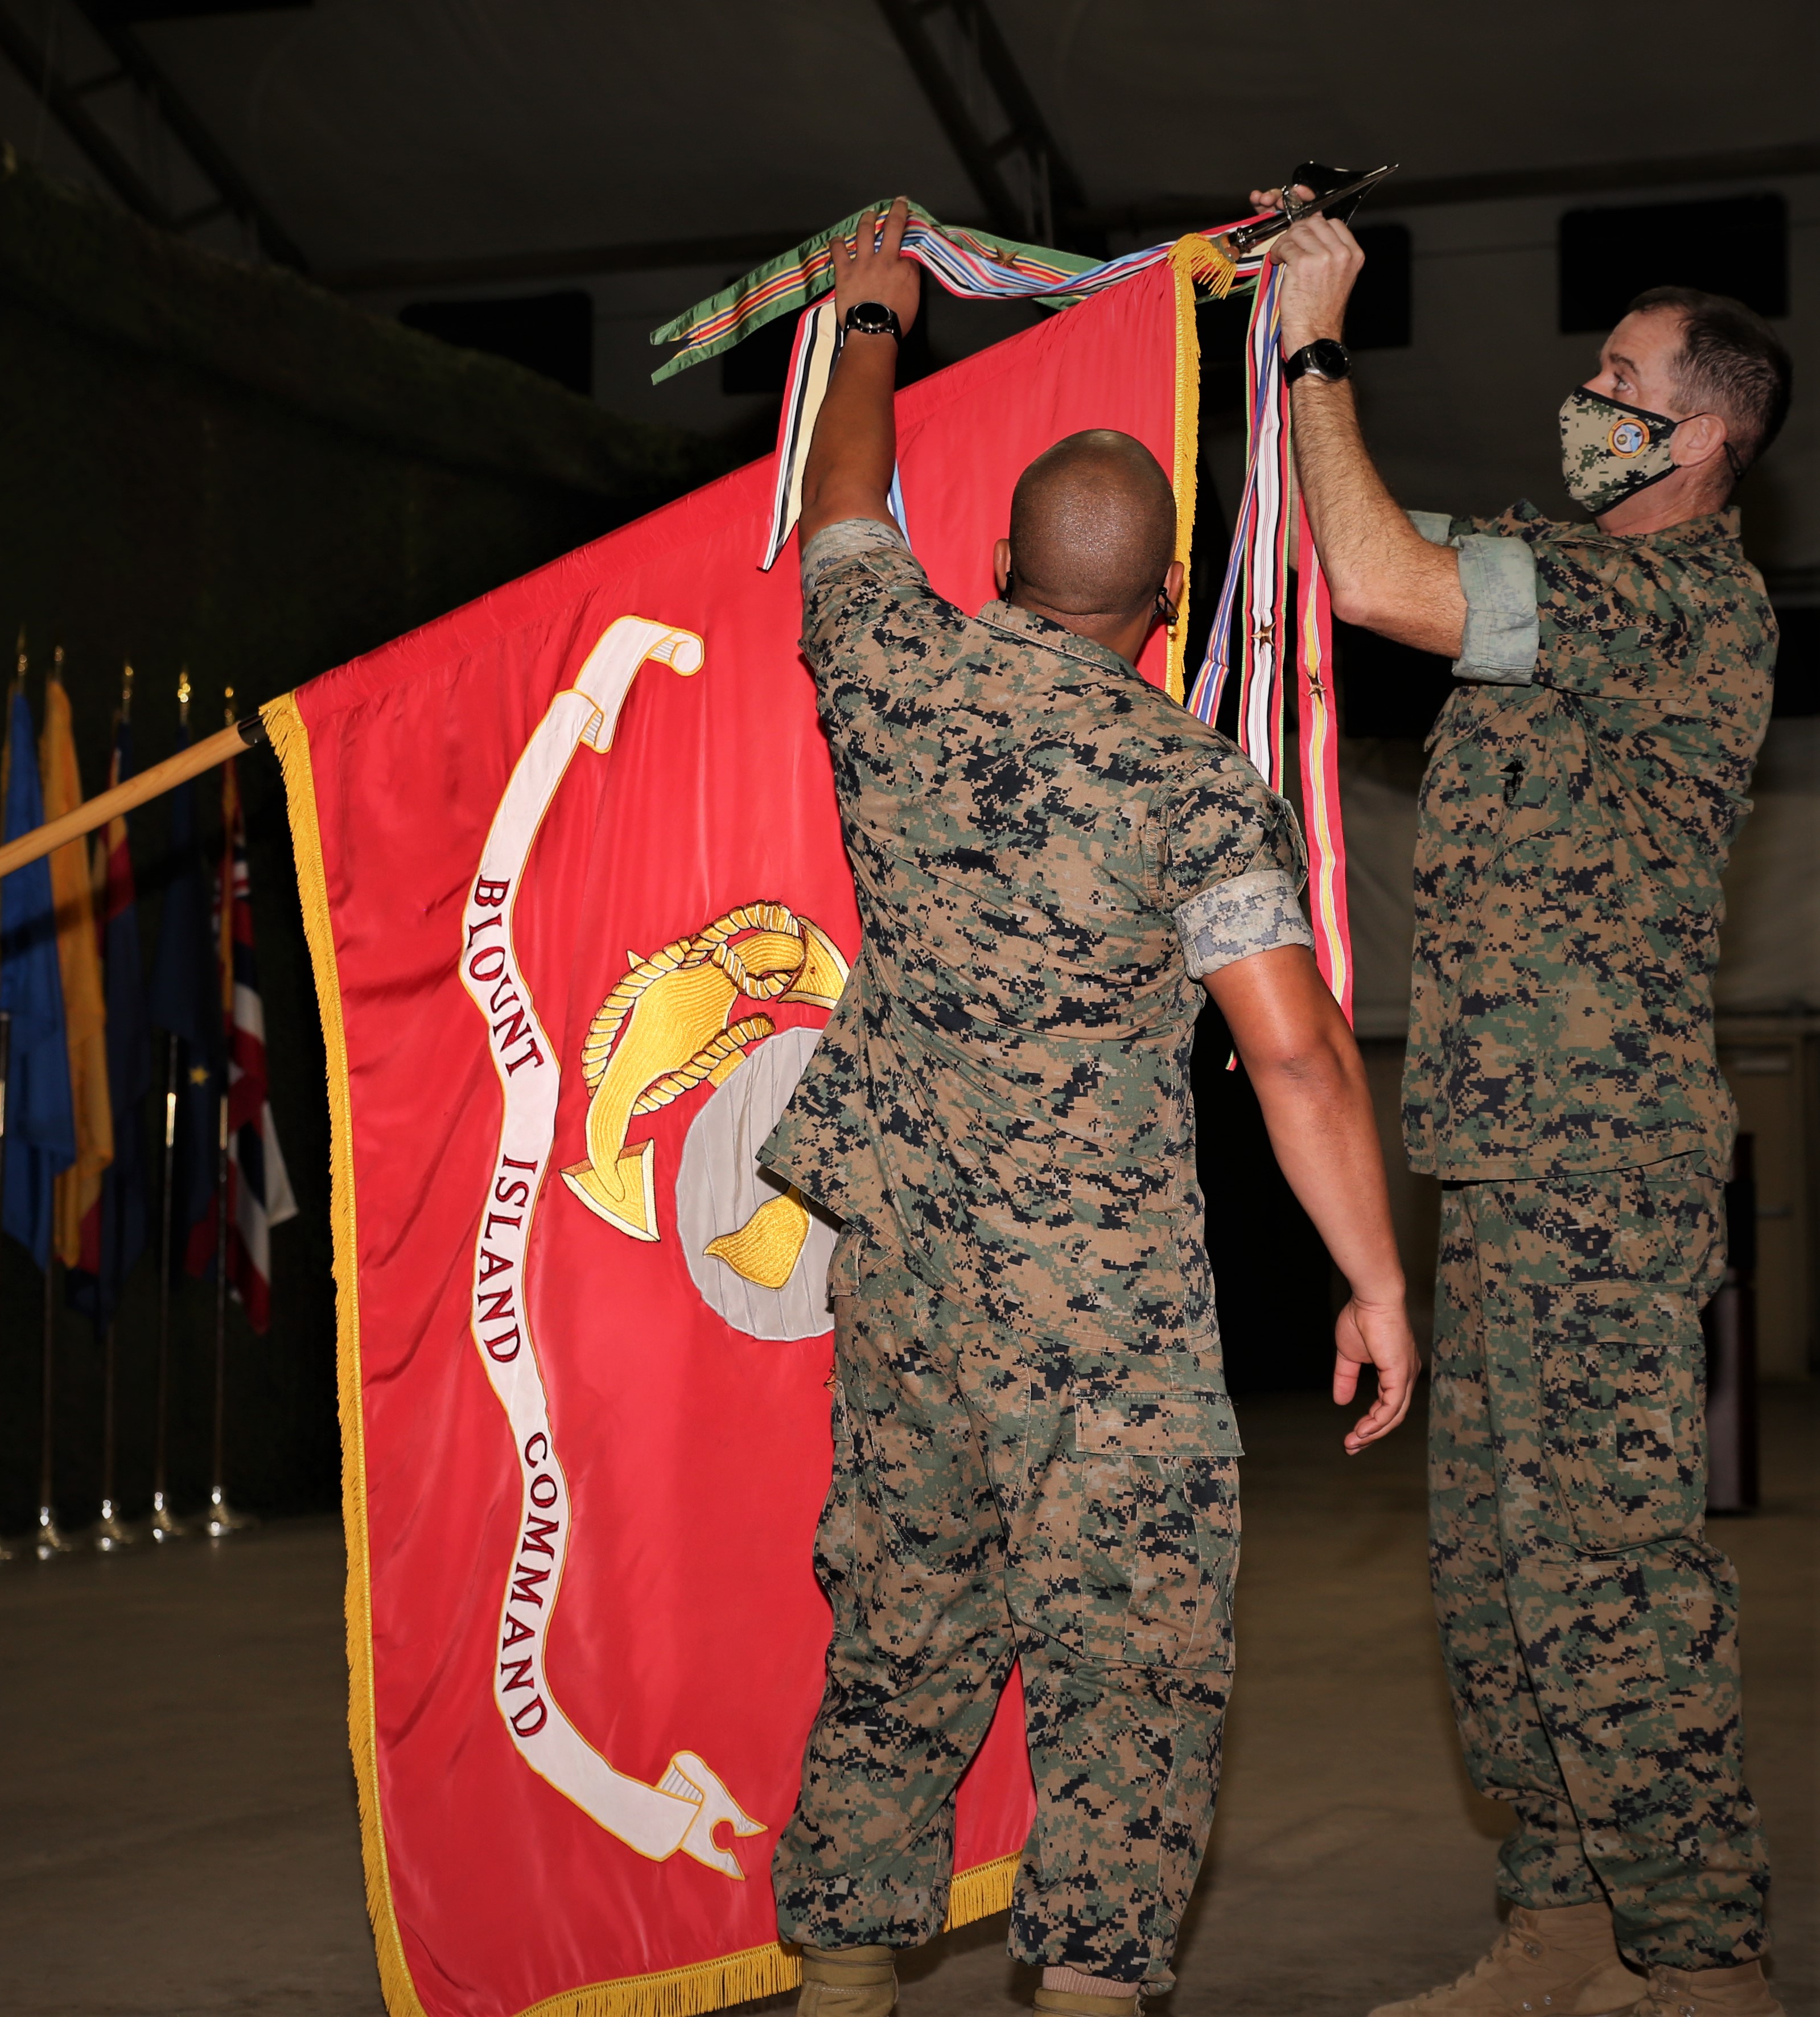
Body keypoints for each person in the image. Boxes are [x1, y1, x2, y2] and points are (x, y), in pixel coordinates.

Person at [758, 199, 1422, 2016]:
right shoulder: (1194, 789)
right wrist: (1372, 1283)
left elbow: (836, 514)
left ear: (993, 555)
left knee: (900, 1636)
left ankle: (840, 1980)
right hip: (1105, 1313)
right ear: (1161, 607)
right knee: (1125, 1664)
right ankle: (1091, 1988)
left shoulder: (888, 673)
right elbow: (1289, 1055)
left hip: (904, 1290)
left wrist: (873, 320)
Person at [1261, 189, 1790, 2017]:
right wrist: (1255, 339)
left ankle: (1701, 1955)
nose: (1586, 392)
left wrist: (1323, 344)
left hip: (1601, 1163)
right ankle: (1562, 1923)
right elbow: (1352, 539)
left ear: (1700, 429)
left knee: (1601, 1573)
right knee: (1496, 1575)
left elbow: (1376, 584)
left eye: (1616, 375)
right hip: (1500, 1159)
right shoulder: (1556, 574)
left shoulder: (1672, 607)